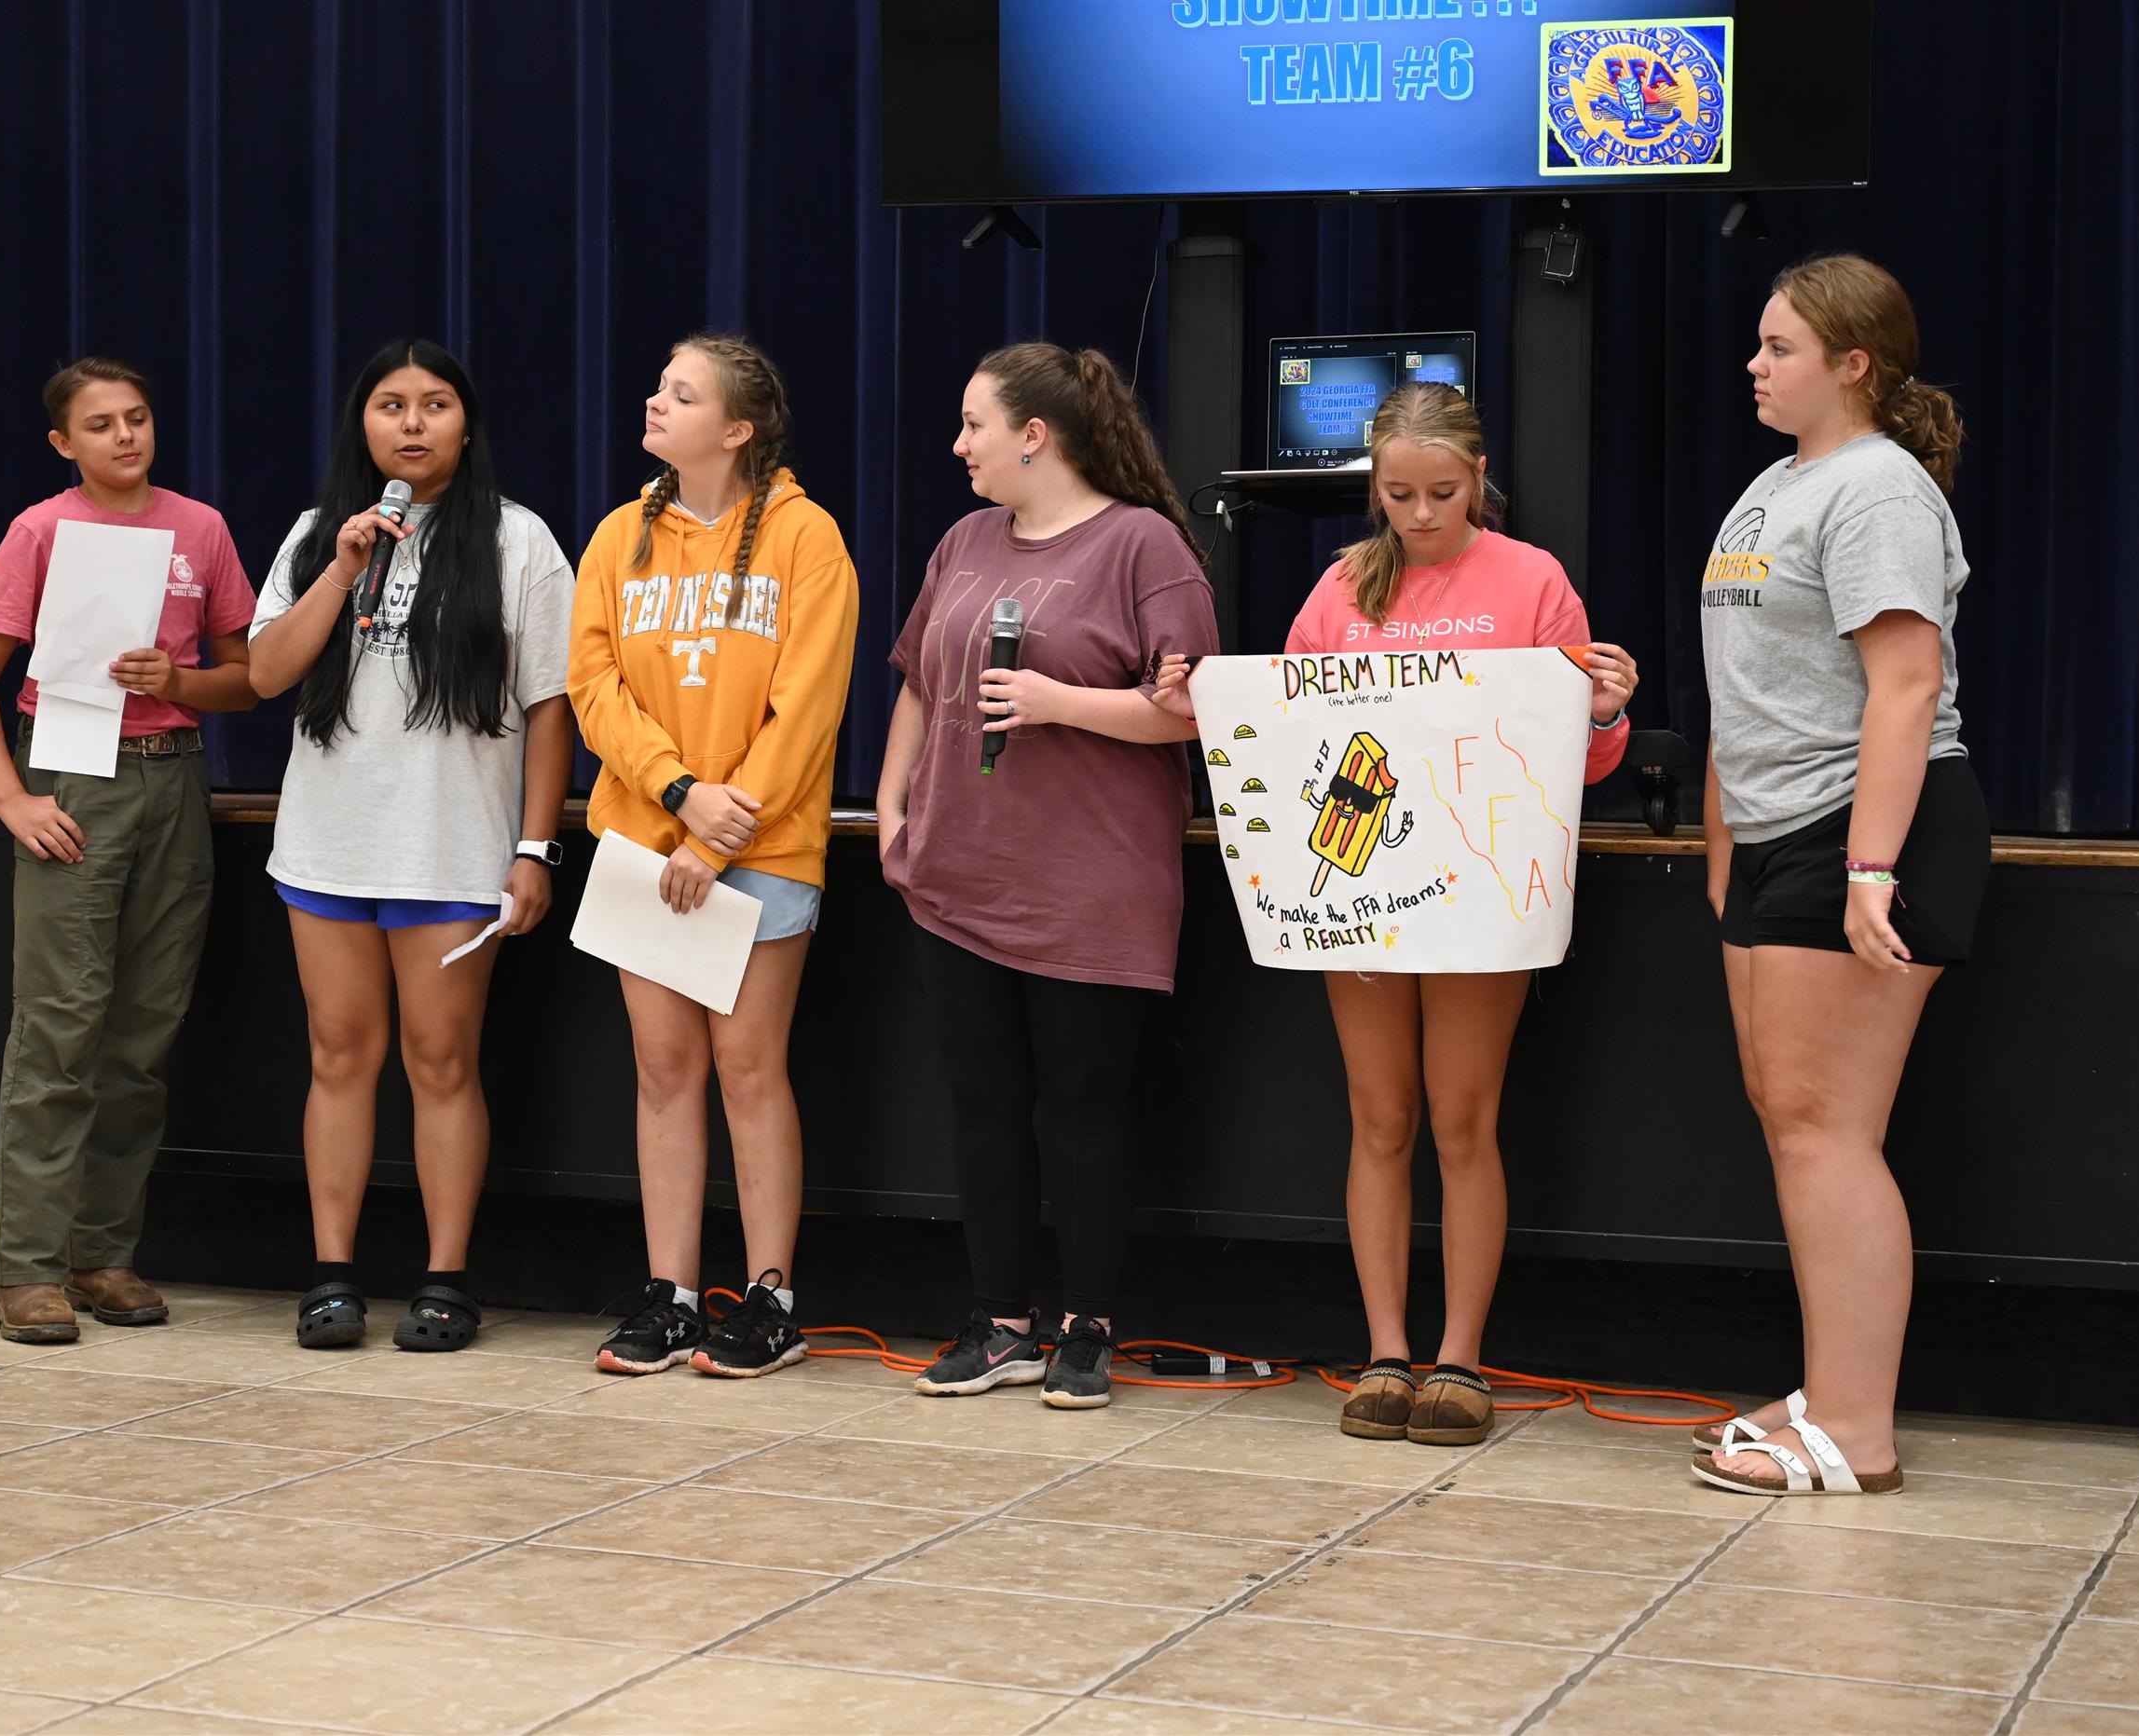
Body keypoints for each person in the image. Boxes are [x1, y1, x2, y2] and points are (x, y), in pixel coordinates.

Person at [1156, 382, 1638, 1447]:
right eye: (1399, 494)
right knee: (1379, 1118)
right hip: (1363, 880)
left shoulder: (1532, 580)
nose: (1421, 515)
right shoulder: (1340, 589)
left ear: (1479, 480)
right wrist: (1202, 706)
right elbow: (1285, 732)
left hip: (1482, 885)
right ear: (1372, 488)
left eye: (1443, 493)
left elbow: (1579, 762)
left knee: (1462, 1121)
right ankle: (1383, 1352)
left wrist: (1603, 713)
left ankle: (1459, 1359)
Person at [876, 342, 1220, 1410]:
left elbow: (1195, 707)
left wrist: (1057, 702)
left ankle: (1087, 1326)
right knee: (983, 1105)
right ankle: (1001, 1323)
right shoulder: (963, 541)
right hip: (958, 875)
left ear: (1034, 435)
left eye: (973, 425)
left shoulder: (1143, 545)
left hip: (1089, 884)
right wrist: (892, 811)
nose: (958, 445)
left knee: (1082, 1110)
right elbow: (918, 684)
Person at [1692, 255, 1984, 1497]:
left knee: (1827, 1130)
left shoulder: (1878, 489)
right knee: (1793, 1124)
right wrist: (1726, 846)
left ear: (1853, 363)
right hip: (1776, 840)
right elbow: (1745, 684)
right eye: (1759, 344)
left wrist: (1869, 866)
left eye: (1781, 347)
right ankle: (1831, 1388)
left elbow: (1905, 685)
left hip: (1863, 832)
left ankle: (1858, 1431)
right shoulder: (1775, 485)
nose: (1755, 365)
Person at [245, 339, 575, 1353]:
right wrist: (342, 569)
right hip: (329, 843)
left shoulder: (519, 540)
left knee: (441, 1060)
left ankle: (445, 1279)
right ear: (363, 423)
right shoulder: (320, 534)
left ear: (466, 425)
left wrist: (535, 848)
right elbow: (265, 673)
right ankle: (332, 1276)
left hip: (450, 846)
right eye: (391, 405)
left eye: (435, 404)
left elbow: (551, 707)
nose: (413, 423)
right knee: (340, 1055)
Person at [0, 357, 258, 1344]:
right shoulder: (41, 530)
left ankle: (102, 1252)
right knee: (61, 1025)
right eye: (100, 424)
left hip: (174, 775)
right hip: (73, 772)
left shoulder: (200, 528)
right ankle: (28, 1269)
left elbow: (247, 676)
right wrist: (11, 796)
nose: (125, 436)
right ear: (63, 443)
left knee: (143, 1032)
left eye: (137, 418)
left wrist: (180, 678)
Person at [569, 335, 857, 1378]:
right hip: (647, 839)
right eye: (659, 387)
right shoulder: (618, 537)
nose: (654, 402)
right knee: (663, 1071)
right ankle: (674, 1294)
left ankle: (771, 1299)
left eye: (680, 394)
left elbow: (808, 704)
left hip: (759, 843)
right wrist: (677, 795)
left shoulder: (805, 536)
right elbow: (594, 686)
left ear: (736, 429)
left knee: (747, 1066)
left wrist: (715, 832)